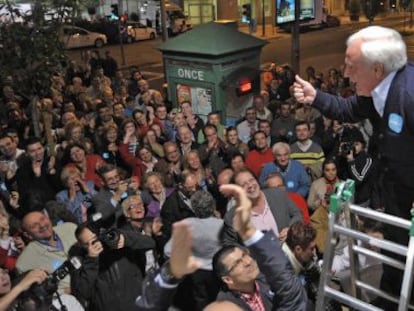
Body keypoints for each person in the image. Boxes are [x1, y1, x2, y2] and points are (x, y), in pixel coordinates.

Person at [293, 25, 414, 304]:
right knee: (396, 258)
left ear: (376, 69)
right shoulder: (377, 89)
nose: (345, 74)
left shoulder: (409, 94)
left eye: (351, 66)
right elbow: (349, 109)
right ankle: (390, 298)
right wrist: (316, 97)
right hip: (397, 195)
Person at [70, 219, 155, 311]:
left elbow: (150, 243)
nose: (94, 244)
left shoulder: (116, 240)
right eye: (87, 243)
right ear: (82, 246)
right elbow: (83, 293)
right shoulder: (81, 260)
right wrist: (91, 260)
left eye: (95, 239)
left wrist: (126, 238)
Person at [222, 169, 302, 245]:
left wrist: (291, 230)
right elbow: (229, 244)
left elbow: (297, 214)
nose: (250, 185)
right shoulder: (231, 217)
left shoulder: (278, 194)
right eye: (243, 185)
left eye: (251, 180)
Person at [15, 211, 77, 294]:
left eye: (42, 219)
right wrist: (64, 292)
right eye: (34, 226)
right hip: (73, 298)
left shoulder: (70, 228)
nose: (42, 225)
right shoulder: (24, 263)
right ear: (27, 235)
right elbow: (36, 293)